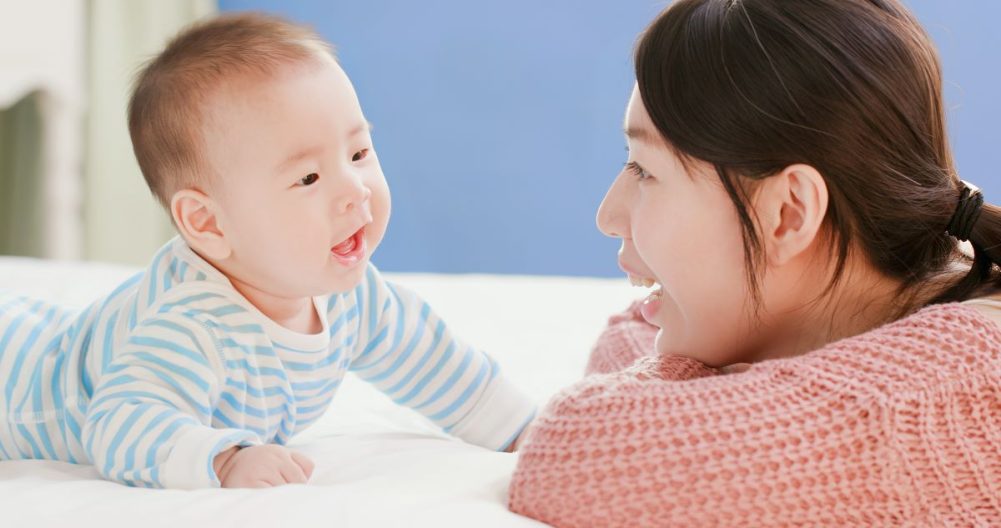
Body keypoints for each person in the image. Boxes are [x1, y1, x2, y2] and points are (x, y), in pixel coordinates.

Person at [508, 0, 1001, 525]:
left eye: (645, 170)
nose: (609, 215)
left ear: (789, 214)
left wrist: (710, 379)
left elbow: (575, 454)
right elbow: (624, 336)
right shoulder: (920, 284)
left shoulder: (928, 400)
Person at [0, 13, 536, 489]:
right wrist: (225, 458)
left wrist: (523, 429)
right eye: (308, 177)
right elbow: (119, 423)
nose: (354, 188)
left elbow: (433, 362)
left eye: (359, 151)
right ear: (207, 223)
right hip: (16, 386)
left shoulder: (353, 294)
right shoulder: (192, 324)